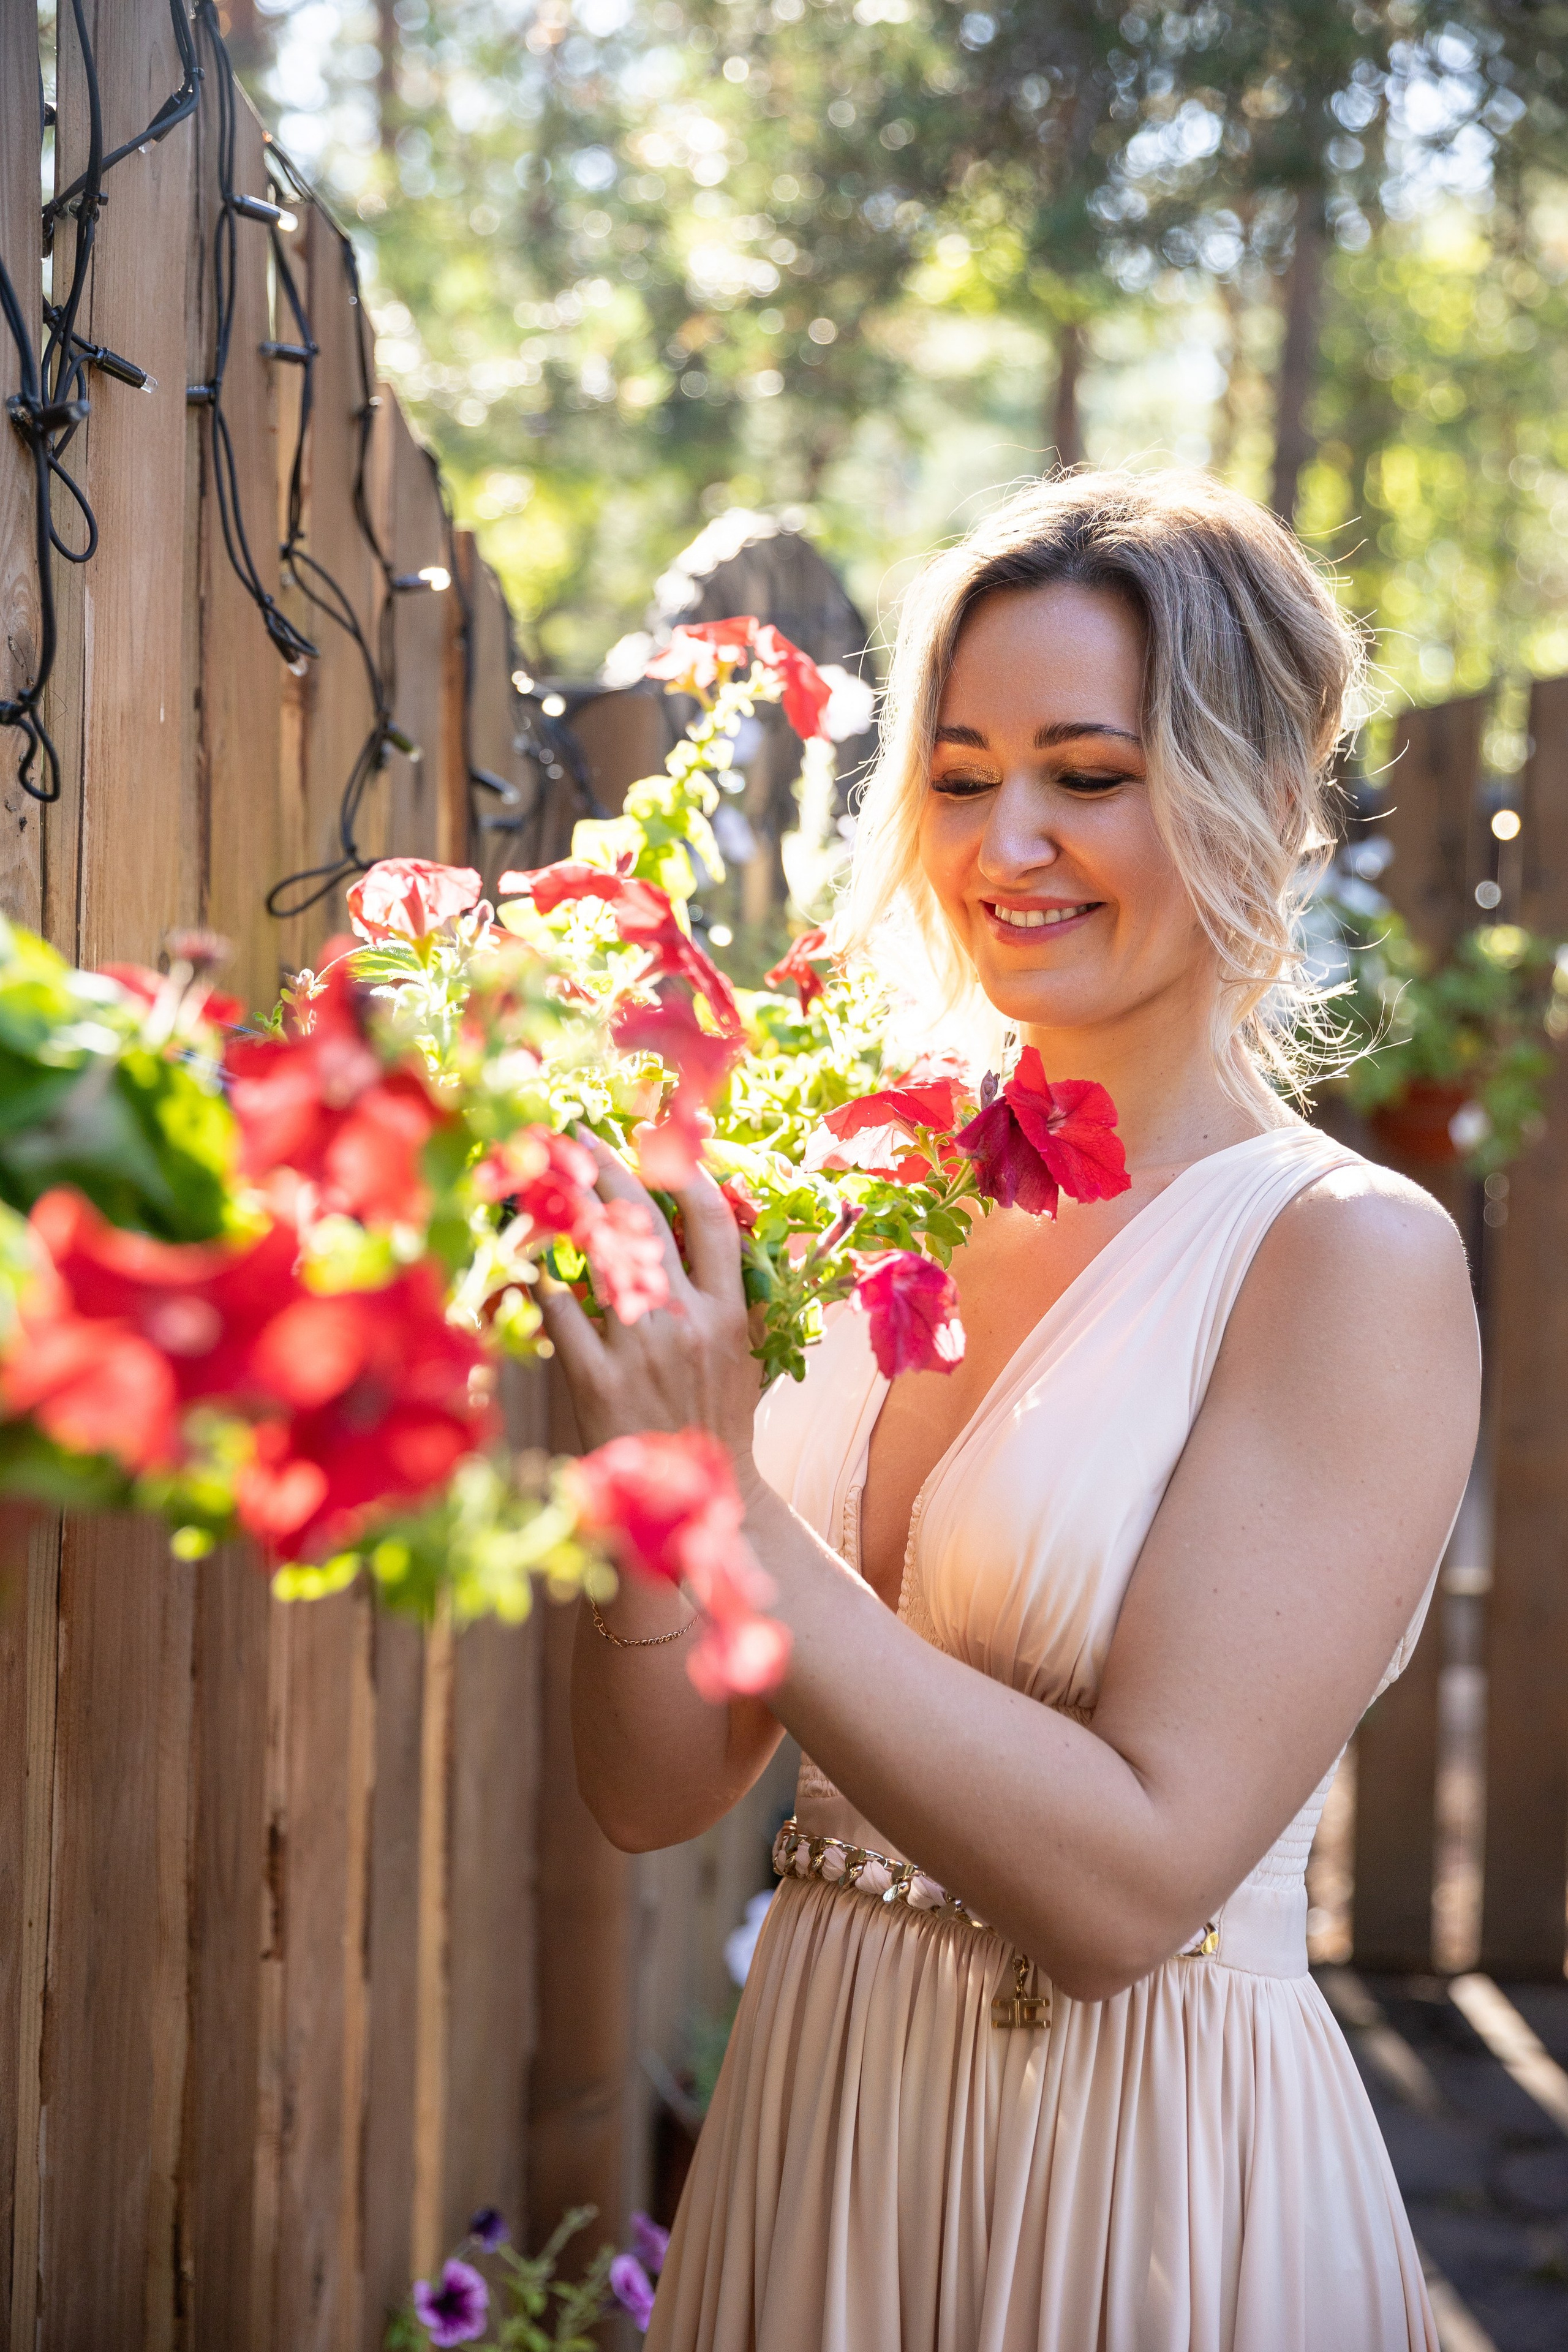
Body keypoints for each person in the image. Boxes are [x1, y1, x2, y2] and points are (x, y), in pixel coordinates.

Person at [543, 472, 1480, 2352]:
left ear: (1258, 795)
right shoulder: (863, 1200)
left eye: (1090, 774)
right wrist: (652, 1455)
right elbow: (654, 1792)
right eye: (962, 776)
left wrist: (727, 1499)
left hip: (1136, 2179)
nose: (1009, 842)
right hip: (819, 2131)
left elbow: (1130, 1889)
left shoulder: (1344, 1259)